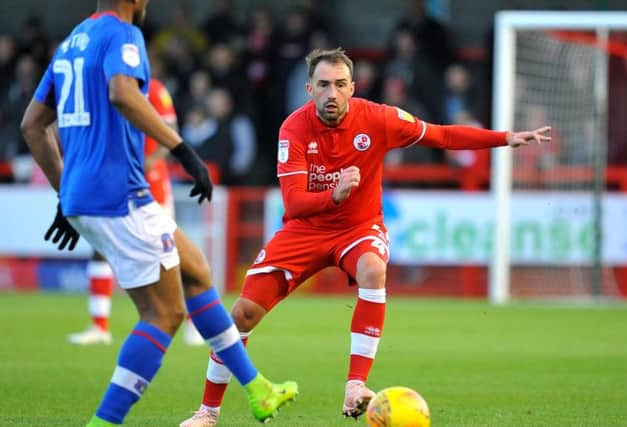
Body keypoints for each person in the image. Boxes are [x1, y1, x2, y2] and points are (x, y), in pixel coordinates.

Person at [180, 47, 551, 427]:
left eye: (341, 85)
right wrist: (334, 193)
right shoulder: (293, 127)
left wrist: (504, 137)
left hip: (358, 228)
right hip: (304, 230)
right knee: (241, 314)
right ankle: (207, 412)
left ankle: (356, 385)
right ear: (309, 88)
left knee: (373, 268)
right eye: (323, 85)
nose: (332, 94)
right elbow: (293, 202)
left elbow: (440, 135)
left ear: (353, 88)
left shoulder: (379, 117)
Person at [20, 1, 297, 426]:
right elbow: (123, 93)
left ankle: (257, 389)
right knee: (163, 314)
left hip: (91, 194)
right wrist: (184, 150)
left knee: (196, 271)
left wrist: (65, 190)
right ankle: (104, 421)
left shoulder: (73, 40)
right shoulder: (122, 34)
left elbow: (32, 125)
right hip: (120, 193)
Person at [67, 77, 204, 346]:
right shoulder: (105, 88)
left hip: (149, 184)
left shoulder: (154, 89)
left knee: (171, 254)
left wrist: (147, 164)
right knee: (100, 248)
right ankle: (99, 326)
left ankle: (194, 325)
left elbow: (170, 134)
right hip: (113, 183)